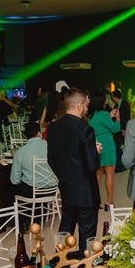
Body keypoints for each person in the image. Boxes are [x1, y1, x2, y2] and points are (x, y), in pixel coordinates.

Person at [47, 88, 100, 252]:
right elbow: (92, 165)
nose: (87, 108)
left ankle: (59, 262)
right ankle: (85, 263)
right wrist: (95, 151)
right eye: (86, 105)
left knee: (65, 229)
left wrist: (64, 176)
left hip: (66, 187)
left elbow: (51, 160)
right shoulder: (85, 129)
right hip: (86, 191)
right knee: (87, 235)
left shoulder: (53, 127)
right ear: (79, 106)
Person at [88, 92, 121, 208]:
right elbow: (115, 129)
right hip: (107, 147)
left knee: (97, 175)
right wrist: (117, 119)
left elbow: (101, 124)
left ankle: (96, 202)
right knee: (110, 175)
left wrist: (109, 117)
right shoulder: (104, 114)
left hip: (96, 146)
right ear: (102, 102)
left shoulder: (91, 116)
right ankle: (109, 202)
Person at [10, 122, 56, 199]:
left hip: (31, 192)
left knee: (10, 186)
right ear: (39, 133)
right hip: (53, 190)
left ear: (25, 136)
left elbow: (15, 180)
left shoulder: (20, 152)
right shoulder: (52, 147)